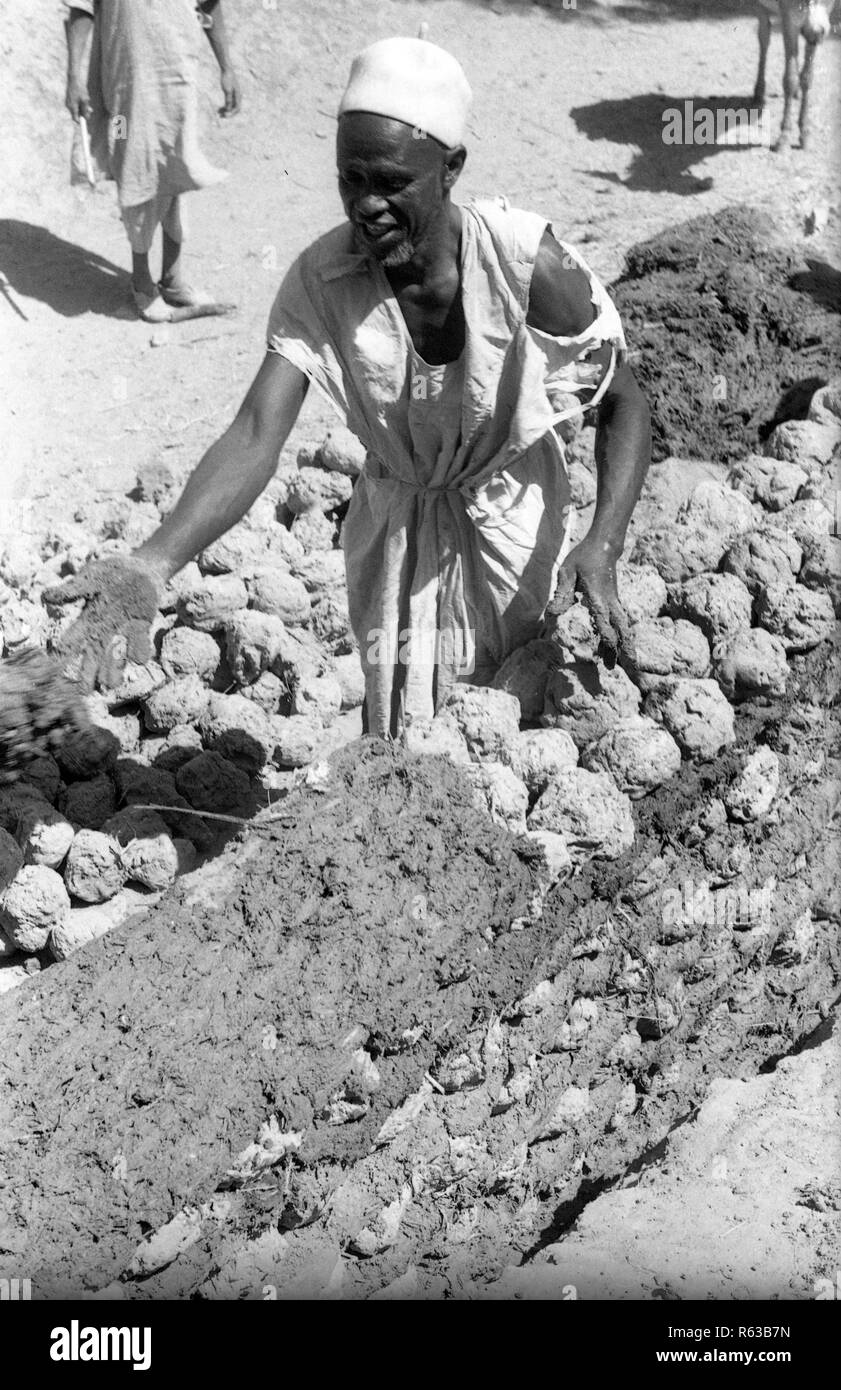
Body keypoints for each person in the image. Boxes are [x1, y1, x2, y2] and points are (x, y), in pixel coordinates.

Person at [45, 36, 651, 738]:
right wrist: (151, 566)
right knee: (399, 731)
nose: (368, 205)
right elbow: (253, 434)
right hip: (394, 525)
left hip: (508, 518)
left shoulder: (522, 262)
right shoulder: (322, 278)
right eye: (351, 179)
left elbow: (623, 401)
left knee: (509, 723)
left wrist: (602, 544)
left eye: (392, 182)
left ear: (450, 168)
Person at [64, 0, 241, 322]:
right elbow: (80, 10)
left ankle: (172, 278)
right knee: (131, 164)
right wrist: (73, 77)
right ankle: (142, 284)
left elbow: (210, 5)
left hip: (177, 71)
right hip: (122, 81)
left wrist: (226, 68)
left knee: (175, 162)